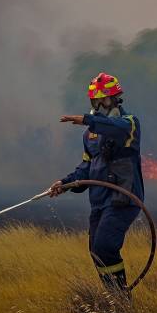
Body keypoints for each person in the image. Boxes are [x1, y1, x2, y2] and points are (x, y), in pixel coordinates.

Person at [49, 72, 144, 295]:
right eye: (95, 101)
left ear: (115, 99)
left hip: (123, 198)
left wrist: (89, 120)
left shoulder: (128, 125)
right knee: (96, 251)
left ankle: (121, 299)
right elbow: (86, 167)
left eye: (104, 100)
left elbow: (114, 126)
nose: (99, 105)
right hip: (99, 201)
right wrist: (65, 183)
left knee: (105, 246)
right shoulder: (89, 136)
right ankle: (114, 297)